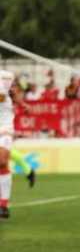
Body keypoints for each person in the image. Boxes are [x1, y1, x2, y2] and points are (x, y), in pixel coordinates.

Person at [0, 70, 27, 219]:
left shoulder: (6, 76)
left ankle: (3, 205)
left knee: (2, 162)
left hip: (4, 125)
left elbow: (13, 93)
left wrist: (23, 104)